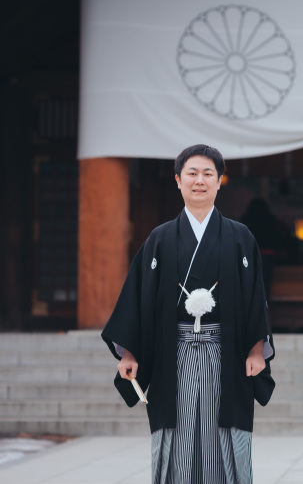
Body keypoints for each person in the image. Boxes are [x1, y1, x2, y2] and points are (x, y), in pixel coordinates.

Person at [101, 144, 275, 484]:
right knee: (176, 431)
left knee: (223, 429)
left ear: (219, 181)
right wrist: (131, 352)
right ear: (178, 181)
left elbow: (256, 296)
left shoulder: (240, 238)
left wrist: (257, 349)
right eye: (192, 174)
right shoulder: (160, 239)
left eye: (208, 174)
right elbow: (138, 297)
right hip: (173, 350)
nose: (200, 181)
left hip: (225, 351)